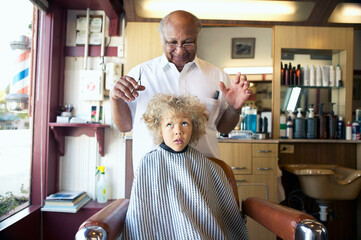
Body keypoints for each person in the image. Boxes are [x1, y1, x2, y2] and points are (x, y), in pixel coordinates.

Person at [110, 10, 252, 171]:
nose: (180, 50)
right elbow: (125, 126)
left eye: (188, 42)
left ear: (197, 38)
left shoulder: (217, 76)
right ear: (162, 39)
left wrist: (235, 108)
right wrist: (115, 98)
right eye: (172, 42)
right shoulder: (140, 74)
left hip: (202, 175)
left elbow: (223, 128)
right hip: (153, 176)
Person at [122, 94, 249, 240]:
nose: (178, 131)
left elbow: (223, 216)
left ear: (193, 127)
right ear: (159, 128)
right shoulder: (147, 163)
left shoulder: (208, 166)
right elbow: (139, 216)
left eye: (184, 123)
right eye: (170, 124)